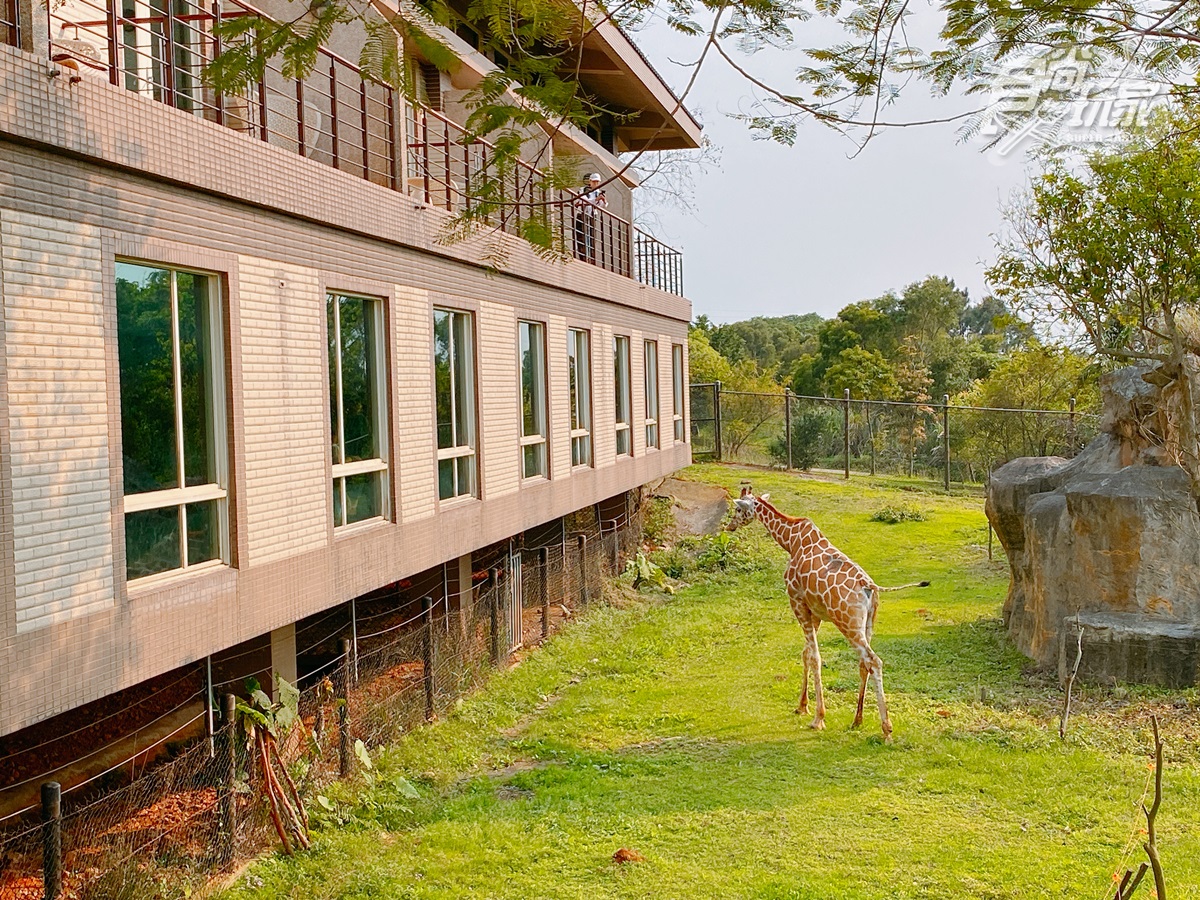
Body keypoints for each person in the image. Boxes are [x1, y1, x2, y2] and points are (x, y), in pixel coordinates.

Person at [573, 173, 607, 264]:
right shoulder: (583, 190)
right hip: (582, 214)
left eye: (597, 182)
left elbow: (601, 206)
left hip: (592, 215)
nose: (596, 184)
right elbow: (583, 200)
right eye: (594, 181)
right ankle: (583, 257)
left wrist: (603, 200)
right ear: (590, 182)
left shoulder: (598, 192)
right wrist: (596, 200)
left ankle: (591, 258)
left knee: (591, 237)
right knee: (582, 236)